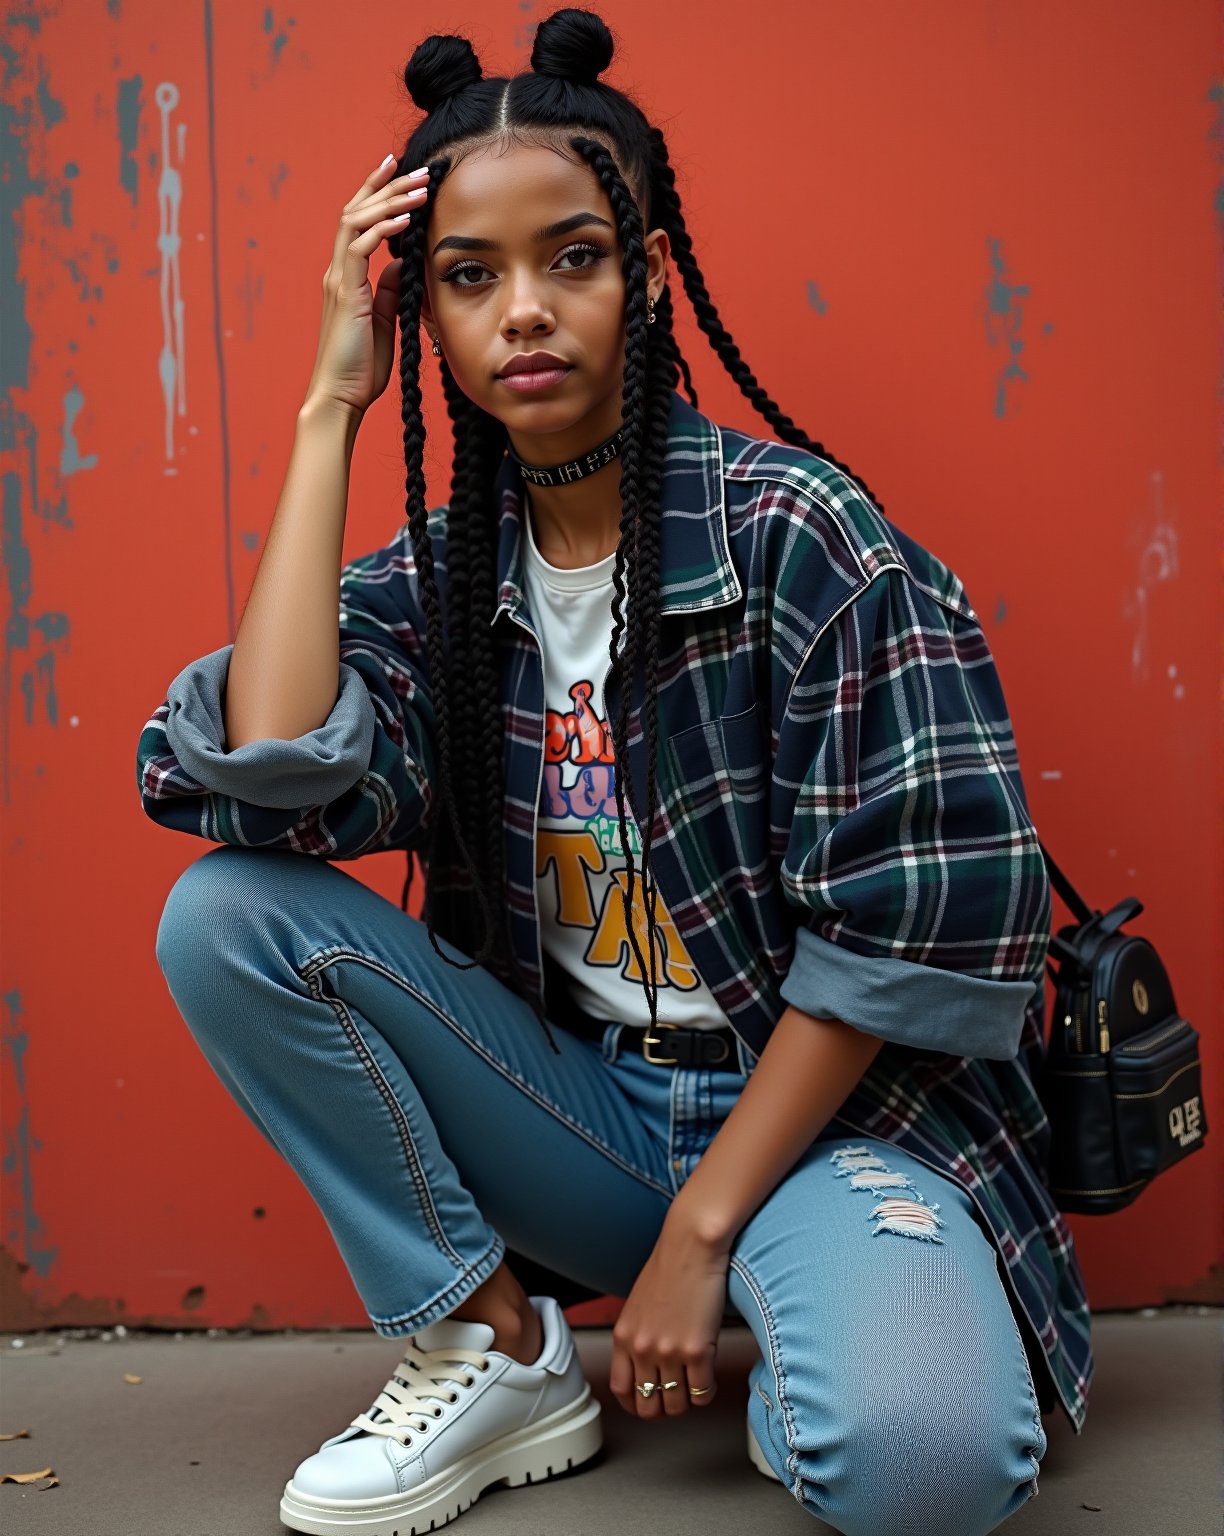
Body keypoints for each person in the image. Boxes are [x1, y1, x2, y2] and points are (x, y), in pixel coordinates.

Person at [136, 9, 1092, 1535]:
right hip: (580, 1113)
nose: (525, 310)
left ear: (647, 280)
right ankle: (498, 1347)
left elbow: (915, 929)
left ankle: (814, 1311)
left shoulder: (803, 539)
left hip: (830, 1128)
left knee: (921, 1469)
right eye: (469, 276)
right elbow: (266, 774)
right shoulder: (445, 580)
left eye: (573, 258)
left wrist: (707, 1236)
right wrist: (329, 405)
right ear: (420, 315)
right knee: (228, 914)